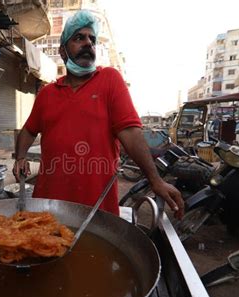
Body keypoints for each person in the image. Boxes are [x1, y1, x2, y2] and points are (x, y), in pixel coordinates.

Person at [13, 10, 184, 218]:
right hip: (48, 204)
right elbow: (29, 131)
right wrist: (20, 157)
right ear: (63, 51)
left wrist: (155, 180)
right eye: (78, 38)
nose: (88, 43)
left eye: (91, 39)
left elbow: (130, 133)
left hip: (96, 209)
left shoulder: (110, 79)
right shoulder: (48, 93)